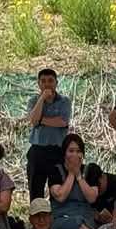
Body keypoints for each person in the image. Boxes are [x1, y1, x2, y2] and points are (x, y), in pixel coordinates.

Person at [47, 133, 99, 229]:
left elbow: (92, 198)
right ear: (64, 153)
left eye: (78, 151)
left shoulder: (90, 170)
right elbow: (60, 196)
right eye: (71, 151)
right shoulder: (55, 170)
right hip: (61, 219)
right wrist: (71, 173)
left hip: (86, 218)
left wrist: (79, 176)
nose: (75, 155)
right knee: (77, 223)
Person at [26, 68, 71, 200]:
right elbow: (33, 121)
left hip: (57, 151)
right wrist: (42, 100)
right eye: (43, 81)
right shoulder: (33, 100)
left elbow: (62, 122)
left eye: (50, 81)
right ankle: (36, 218)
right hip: (37, 150)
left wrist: (40, 120)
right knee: (35, 189)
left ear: (56, 83)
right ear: (38, 84)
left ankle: (56, 218)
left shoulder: (64, 101)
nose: (47, 84)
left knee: (57, 189)